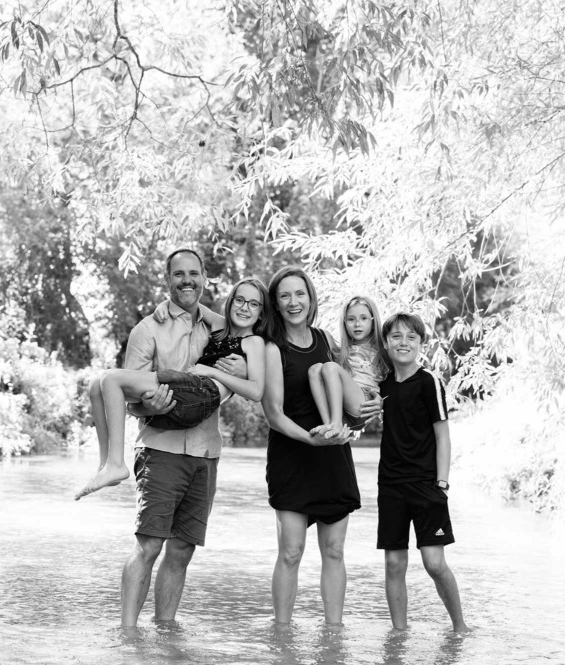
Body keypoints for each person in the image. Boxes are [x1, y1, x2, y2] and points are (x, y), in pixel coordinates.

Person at [115, 248, 247, 628]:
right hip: (160, 450)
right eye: (178, 274)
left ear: (205, 277)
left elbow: (241, 378)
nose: (186, 280)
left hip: (206, 452)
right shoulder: (147, 330)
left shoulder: (224, 329)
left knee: (183, 548)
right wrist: (150, 406)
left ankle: (165, 632)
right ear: (167, 279)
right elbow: (130, 400)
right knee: (150, 545)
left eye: (193, 273)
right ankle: (127, 634)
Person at [75, 277, 269, 500]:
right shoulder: (220, 324)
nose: (245, 308)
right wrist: (163, 306)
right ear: (231, 301)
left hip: (203, 391)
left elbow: (256, 392)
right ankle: (106, 463)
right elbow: (190, 305)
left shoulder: (254, 342)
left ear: (262, 312)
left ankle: (117, 464)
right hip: (191, 387)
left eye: (254, 304)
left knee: (110, 379)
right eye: (240, 300)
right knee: (96, 386)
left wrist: (214, 372)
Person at [261, 266, 363, 626]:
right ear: (275, 302)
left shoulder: (325, 341)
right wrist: (310, 439)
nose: (293, 302)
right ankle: (282, 635)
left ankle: (333, 634)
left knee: (334, 551)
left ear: (311, 298)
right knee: (291, 552)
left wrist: (367, 410)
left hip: (332, 458)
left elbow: (350, 394)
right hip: (293, 457)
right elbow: (273, 414)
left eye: (300, 294)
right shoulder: (272, 349)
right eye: (285, 295)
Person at [376, 311, 469, 633]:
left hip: (427, 485)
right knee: (393, 563)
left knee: (434, 563)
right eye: (396, 337)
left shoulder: (430, 381)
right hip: (390, 485)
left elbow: (442, 435)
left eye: (411, 337)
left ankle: (459, 627)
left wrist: (442, 483)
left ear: (420, 344)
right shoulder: (381, 384)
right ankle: (399, 634)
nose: (404, 343)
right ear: (386, 344)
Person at [307, 295, 390, 438]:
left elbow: (397, 378)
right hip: (343, 408)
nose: (357, 324)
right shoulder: (341, 350)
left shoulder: (382, 349)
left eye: (364, 318)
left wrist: (383, 402)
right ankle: (329, 424)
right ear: (344, 322)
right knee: (314, 369)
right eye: (351, 319)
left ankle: (336, 423)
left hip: (364, 404)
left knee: (330, 367)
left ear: (373, 321)